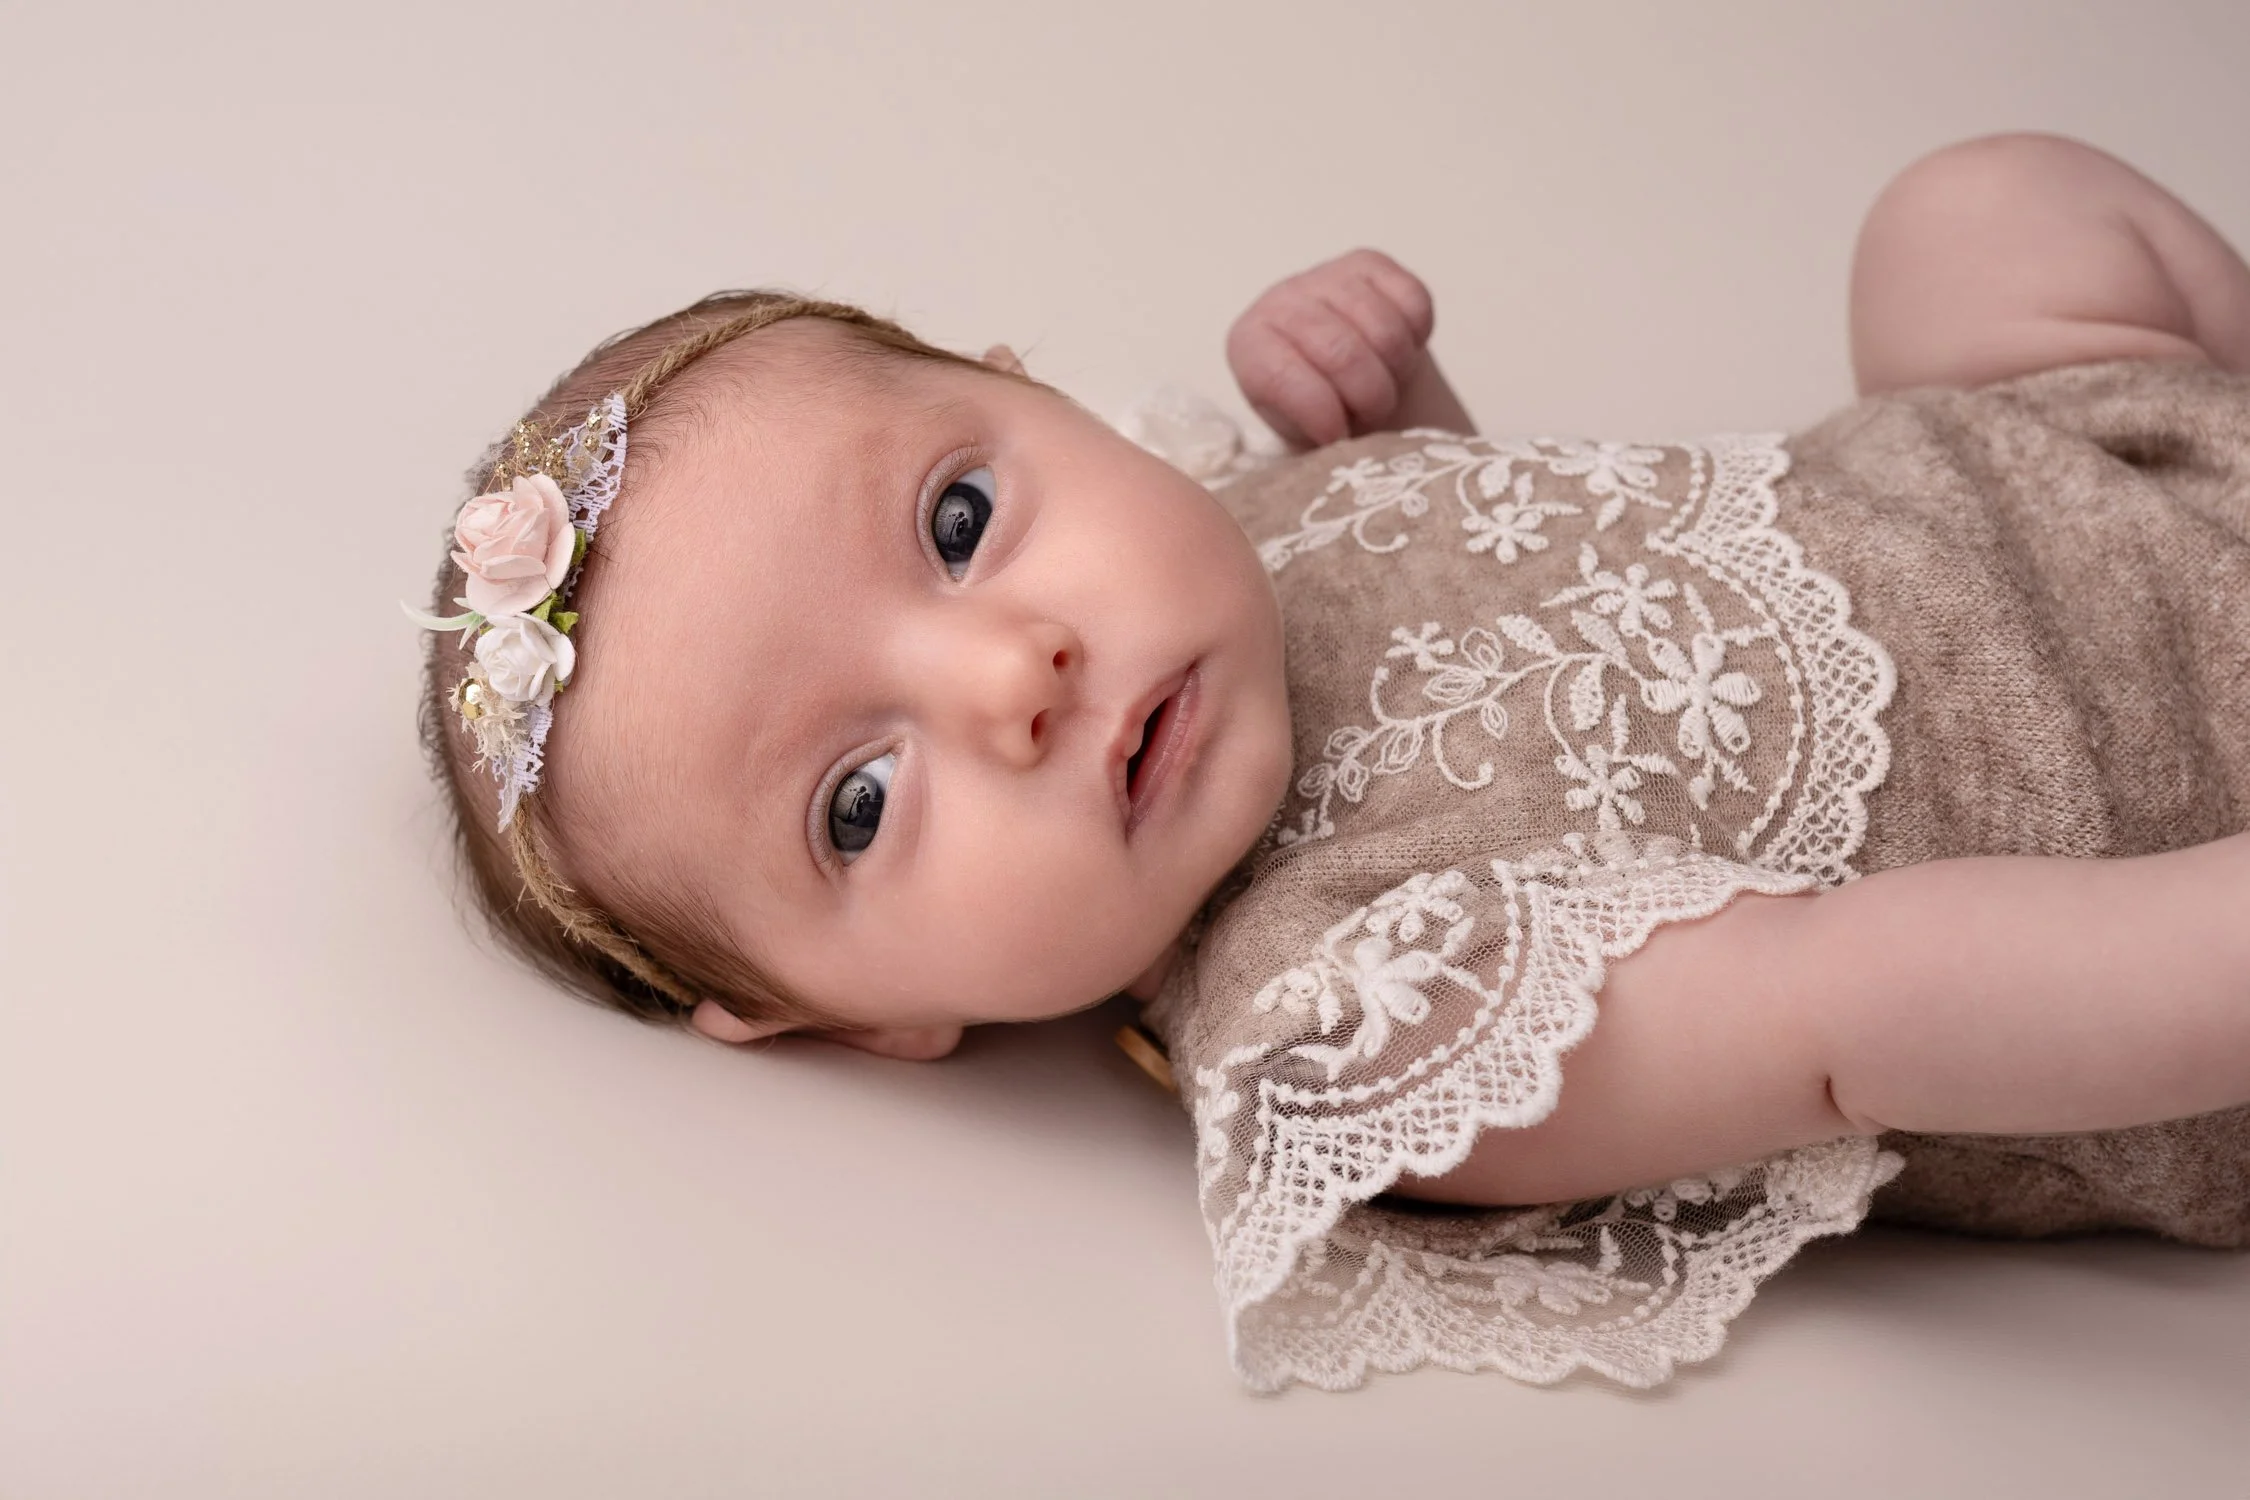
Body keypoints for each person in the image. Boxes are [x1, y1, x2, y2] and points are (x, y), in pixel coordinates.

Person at [410, 132, 2250, 1391]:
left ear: (1033, 388)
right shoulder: (1366, 1013)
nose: (1011, 678)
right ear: (853, 1017)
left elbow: (1578, 641)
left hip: (2075, 463)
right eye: (858, 802)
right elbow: (1846, 1003)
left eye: (960, 517)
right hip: (2184, 837)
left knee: (1976, 208)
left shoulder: (1217, 532)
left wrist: (1410, 437)